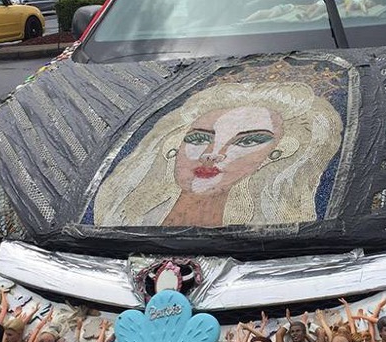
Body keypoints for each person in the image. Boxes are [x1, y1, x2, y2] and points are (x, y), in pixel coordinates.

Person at [94, 78, 344, 229]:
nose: (212, 154)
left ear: (277, 153)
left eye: (248, 141)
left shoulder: (285, 228)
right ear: (173, 144)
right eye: (199, 138)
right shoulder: (117, 217)